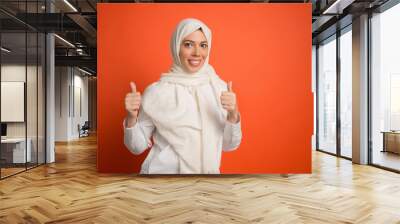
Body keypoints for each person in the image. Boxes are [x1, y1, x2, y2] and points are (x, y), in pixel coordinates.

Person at [123, 18, 242, 174]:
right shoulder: (156, 92)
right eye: (188, 44)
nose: (197, 53)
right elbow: (136, 147)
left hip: (206, 185)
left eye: (203, 45)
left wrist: (233, 116)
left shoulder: (220, 89)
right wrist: (131, 118)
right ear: (176, 46)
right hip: (163, 184)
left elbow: (229, 145)